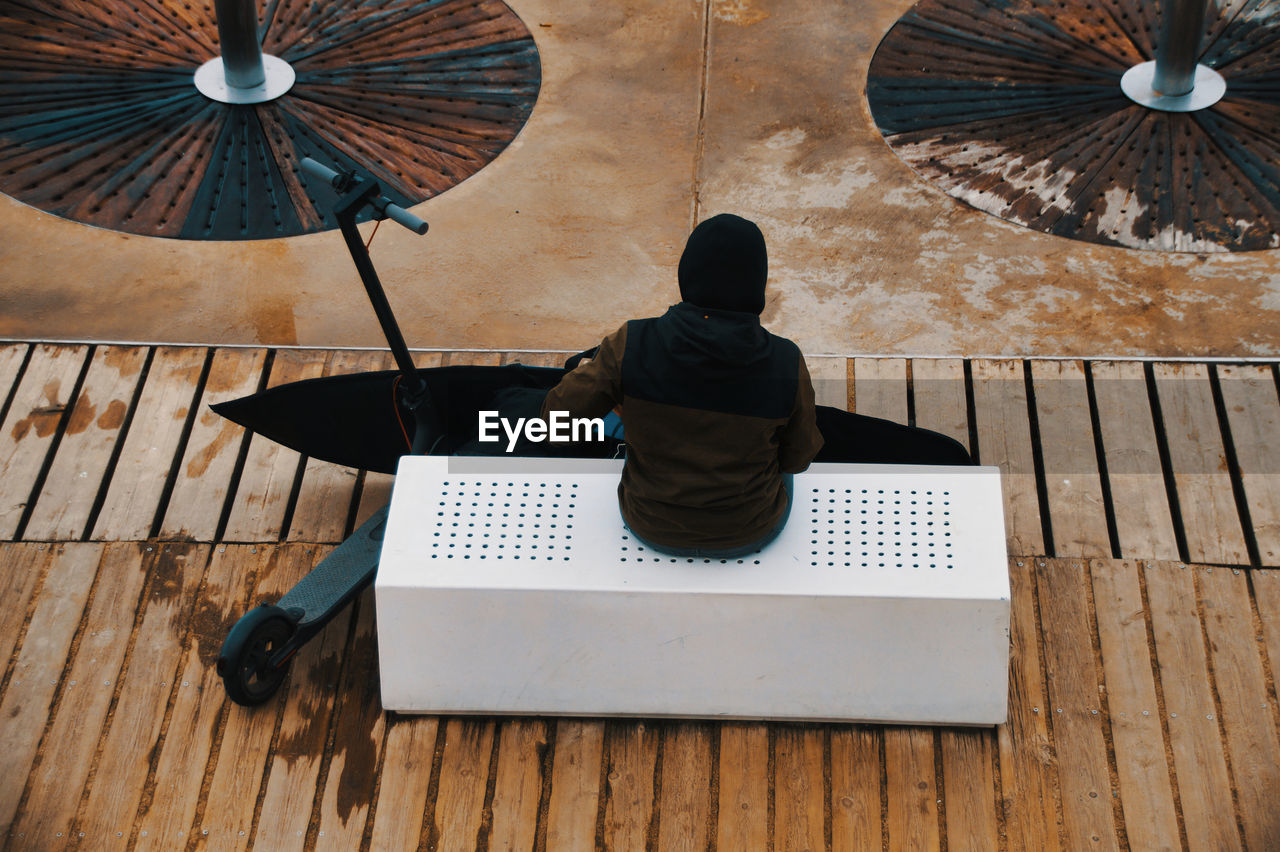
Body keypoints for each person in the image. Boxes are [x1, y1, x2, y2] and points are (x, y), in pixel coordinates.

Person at [540, 213, 823, 557]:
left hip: (648, 524)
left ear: (687, 274)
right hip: (751, 530)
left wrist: (607, 388)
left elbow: (555, 424)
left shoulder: (632, 342)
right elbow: (797, 458)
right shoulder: (785, 360)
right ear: (756, 282)